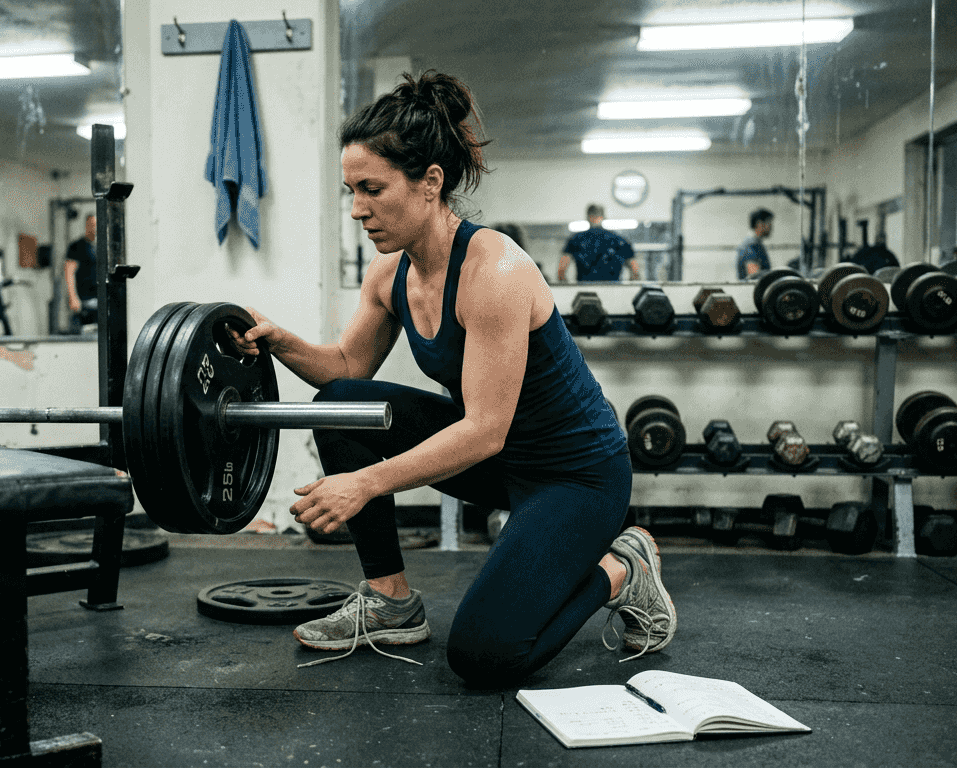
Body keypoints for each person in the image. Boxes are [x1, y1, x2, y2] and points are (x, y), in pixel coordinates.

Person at [230, 71, 676, 686]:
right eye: (351, 191)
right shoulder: (389, 274)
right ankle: (390, 602)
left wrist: (363, 483)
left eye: (373, 189)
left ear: (430, 182)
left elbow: (485, 429)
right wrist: (278, 340)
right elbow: (347, 368)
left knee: (485, 655)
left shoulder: (494, 271)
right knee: (340, 403)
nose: (357, 209)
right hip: (500, 461)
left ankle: (625, 567)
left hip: (575, 475)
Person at [558, 205, 639, 282]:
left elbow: (561, 270)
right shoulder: (620, 240)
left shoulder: (576, 239)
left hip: (585, 288)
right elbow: (635, 271)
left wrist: (567, 288)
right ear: (603, 217)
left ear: (588, 217)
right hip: (613, 289)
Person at [65, 213, 98, 329]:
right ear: (86, 225)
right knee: (85, 330)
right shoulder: (76, 246)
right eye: (91, 224)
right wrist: (73, 297)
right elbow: (69, 272)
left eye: (96, 225)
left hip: (100, 298)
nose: (94, 227)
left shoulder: (102, 247)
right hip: (84, 298)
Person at [737, 208, 774, 279]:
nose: (771, 227)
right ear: (759, 224)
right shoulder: (751, 245)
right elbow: (754, 276)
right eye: (769, 223)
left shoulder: (754, 244)